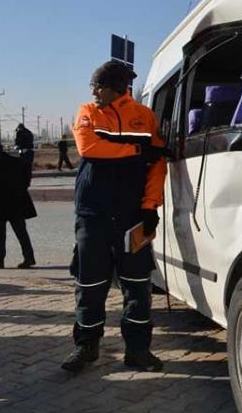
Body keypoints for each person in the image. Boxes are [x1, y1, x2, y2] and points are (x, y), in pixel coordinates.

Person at [61, 61, 167, 373]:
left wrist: (150, 207)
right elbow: (89, 147)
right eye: (92, 86)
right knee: (89, 282)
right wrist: (137, 151)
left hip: (133, 216)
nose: (93, 91)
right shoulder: (87, 112)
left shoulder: (144, 117)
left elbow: (157, 164)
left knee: (137, 285)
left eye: (98, 86)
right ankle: (86, 347)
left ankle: (137, 350)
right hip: (92, 216)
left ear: (117, 88)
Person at [0, 139, 37, 269]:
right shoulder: (16, 161)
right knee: (21, 231)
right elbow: (26, 176)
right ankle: (29, 258)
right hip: (16, 202)